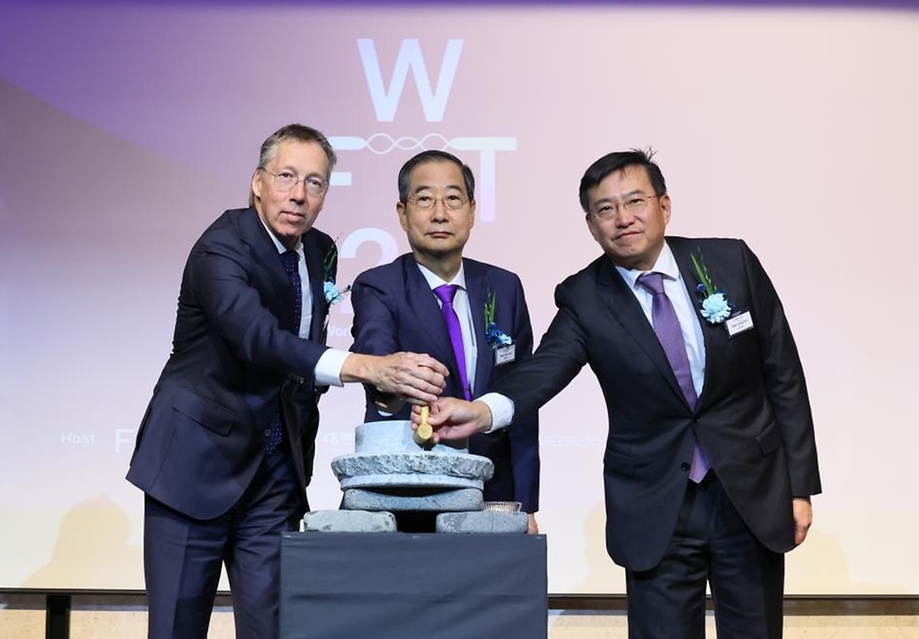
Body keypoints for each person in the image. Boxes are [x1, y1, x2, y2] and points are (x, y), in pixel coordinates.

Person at [417, 149, 821, 638]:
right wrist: (483, 411)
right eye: (605, 209)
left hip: (749, 492)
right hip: (656, 503)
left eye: (635, 201)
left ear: (664, 205)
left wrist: (799, 487)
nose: (623, 218)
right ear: (591, 225)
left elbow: (783, 375)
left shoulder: (730, 260)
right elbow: (544, 369)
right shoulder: (585, 296)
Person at [126, 124, 449, 639]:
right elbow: (258, 339)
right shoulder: (221, 248)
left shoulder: (320, 248)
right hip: (194, 467)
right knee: (175, 630)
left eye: (315, 183)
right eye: (287, 177)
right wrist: (365, 365)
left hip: (275, 473)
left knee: (274, 628)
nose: (299, 194)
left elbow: (300, 355)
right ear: (258, 182)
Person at [350, 150, 540, 532]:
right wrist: (392, 388)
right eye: (424, 199)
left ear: (471, 210)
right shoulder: (379, 286)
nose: (440, 213)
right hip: (406, 493)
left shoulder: (504, 287)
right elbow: (377, 361)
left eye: (453, 199)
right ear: (402, 213)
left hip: (493, 494)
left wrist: (527, 504)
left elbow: (523, 397)